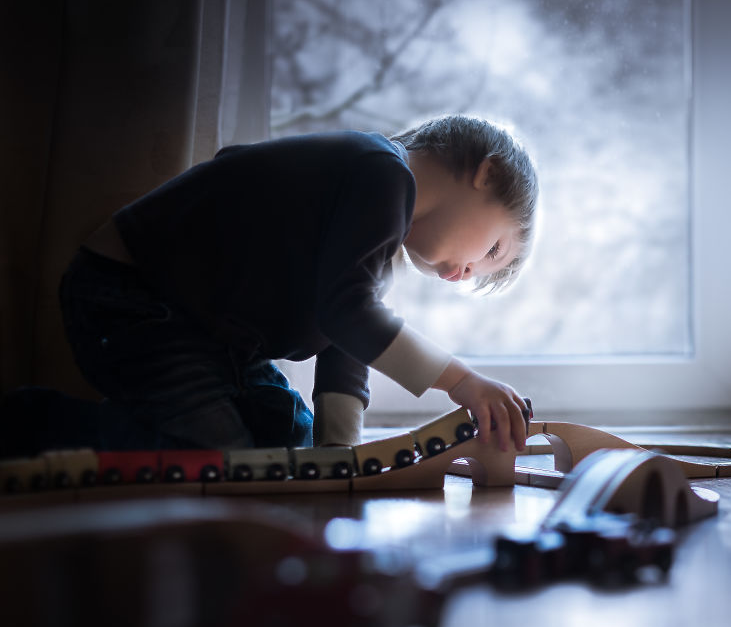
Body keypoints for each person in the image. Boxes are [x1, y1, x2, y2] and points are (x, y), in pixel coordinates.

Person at [0, 115, 538, 457]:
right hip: (136, 297)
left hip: (215, 339)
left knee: (282, 449)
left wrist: (337, 454)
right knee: (214, 460)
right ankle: (32, 426)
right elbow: (346, 315)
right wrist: (461, 381)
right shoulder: (382, 174)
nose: (468, 275)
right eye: (492, 252)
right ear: (485, 174)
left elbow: (345, 344)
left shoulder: (380, 238)